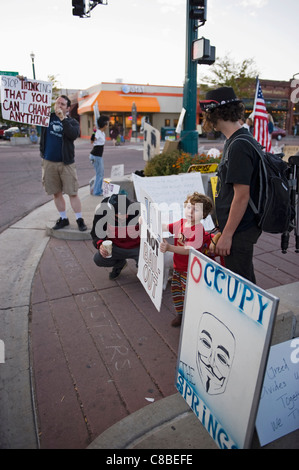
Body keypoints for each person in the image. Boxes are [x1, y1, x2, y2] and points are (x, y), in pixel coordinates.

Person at [200, 86, 262, 283]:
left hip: (240, 230)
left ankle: (252, 315)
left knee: (242, 285)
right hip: (237, 227)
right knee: (242, 278)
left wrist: (227, 235)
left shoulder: (239, 145)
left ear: (215, 114)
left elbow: (241, 195)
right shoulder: (237, 140)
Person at [160, 192, 215, 327]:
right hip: (178, 267)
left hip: (191, 270)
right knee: (176, 292)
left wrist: (169, 248)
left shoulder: (198, 229)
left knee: (189, 295)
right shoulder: (181, 223)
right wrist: (148, 221)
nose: (190, 211)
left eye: (196, 209)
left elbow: (189, 250)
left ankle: (193, 317)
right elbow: (166, 226)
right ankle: (180, 314)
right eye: (189, 207)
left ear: (203, 215)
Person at [40, 95, 87, 231]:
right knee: (56, 193)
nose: (59, 105)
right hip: (49, 162)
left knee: (72, 192)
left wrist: (62, 118)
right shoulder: (46, 118)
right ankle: (63, 218)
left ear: (67, 108)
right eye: (57, 103)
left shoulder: (72, 122)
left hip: (66, 163)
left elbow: (72, 135)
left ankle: (79, 219)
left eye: (62, 104)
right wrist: (23, 83)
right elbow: (30, 108)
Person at [91, 194, 140, 280]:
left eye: (127, 212)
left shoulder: (138, 209)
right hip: (116, 247)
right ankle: (120, 263)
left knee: (147, 264)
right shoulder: (102, 211)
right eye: (122, 214)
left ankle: (141, 267)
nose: (127, 216)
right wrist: (100, 245)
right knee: (98, 259)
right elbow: (96, 233)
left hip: (137, 247)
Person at [89, 115, 109, 196]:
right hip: (95, 156)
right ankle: (96, 191)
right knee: (99, 174)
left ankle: (98, 189)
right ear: (104, 125)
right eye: (107, 123)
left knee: (100, 173)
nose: (108, 125)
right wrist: (94, 131)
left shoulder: (102, 133)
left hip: (98, 156)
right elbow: (91, 141)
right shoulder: (97, 132)